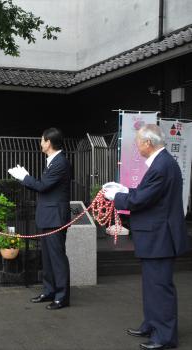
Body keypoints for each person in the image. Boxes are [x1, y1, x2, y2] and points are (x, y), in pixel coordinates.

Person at [103, 124, 189, 350]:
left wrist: (117, 197)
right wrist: (124, 190)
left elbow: (141, 200)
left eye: (138, 142)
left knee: (159, 287)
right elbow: (145, 195)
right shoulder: (163, 163)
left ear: (148, 143)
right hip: (157, 235)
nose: (137, 146)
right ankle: (152, 324)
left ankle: (165, 336)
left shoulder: (161, 166)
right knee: (152, 285)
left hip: (160, 236)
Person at [8, 127, 71, 310]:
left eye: (42, 140)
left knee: (57, 258)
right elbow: (44, 187)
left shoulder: (60, 162)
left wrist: (25, 177)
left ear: (48, 142)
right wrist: (26, 178)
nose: (40, 143)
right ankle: (49, 290)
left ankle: (62, 296)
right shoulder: (53, 161)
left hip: (55, 218)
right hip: (48, 217)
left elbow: (43, 187)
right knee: (48, 257)